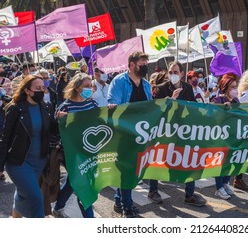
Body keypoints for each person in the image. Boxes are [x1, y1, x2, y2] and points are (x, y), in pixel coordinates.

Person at [148, 61, 207, 207]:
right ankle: (153, 190)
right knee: (157, 159)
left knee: (189, 158)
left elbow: (193, 106)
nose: (172, 75)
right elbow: (156, 108)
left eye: (175, 72)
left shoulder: (187, 87)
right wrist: (171, 100)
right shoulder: (161, 88)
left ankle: (190, 194)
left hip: (183, 130)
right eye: (170, 72)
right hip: (165, 130)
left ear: (181, 74)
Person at [0, 75, 57, 217]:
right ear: (27, 90)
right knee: (36, 198)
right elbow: (5, 139)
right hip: (18, 162)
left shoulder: (47, 107)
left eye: (43, 88)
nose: (41, 91)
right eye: (37, 88)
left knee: (23, 194)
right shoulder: (15, 109)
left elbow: (53, 131)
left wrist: (61, 119)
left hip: (39, 161)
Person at [107, 51, 152, 218]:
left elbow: (149, 107)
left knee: (133, 169)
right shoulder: (119, 82)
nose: (145, 67)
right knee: (126, 169)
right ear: (132, 65)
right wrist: (114, 106)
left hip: (141, 133)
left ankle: (119, 200)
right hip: (124, 133)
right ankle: (127, 206)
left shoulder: (146, 84)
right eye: (142, 64)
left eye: (146, 64)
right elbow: (114, 105)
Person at [52, 73, 98, 218]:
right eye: (86, 86)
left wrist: (110, 110)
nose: (90, 89)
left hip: (90, 151)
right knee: (83, 186)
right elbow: (56, 129)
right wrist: (58, 119)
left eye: (91, 86)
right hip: (72, 154)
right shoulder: (65, 107)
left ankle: (58, 206)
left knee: (73, 182)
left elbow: (101, 124)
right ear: (77, 88)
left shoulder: (93, 104)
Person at [211, 73, 239, 199]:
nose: (235, 89)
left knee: (231, 160)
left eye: (235, 86)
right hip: (221, 137)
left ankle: (226, 182)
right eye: (232, 87)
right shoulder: (218, 100)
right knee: (220, 162)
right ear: (225, 87)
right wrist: (222, 108)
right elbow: (212, 111)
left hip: (233, 135)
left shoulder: (237, 100)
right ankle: (219, 187)